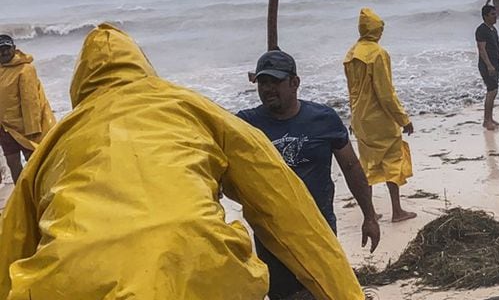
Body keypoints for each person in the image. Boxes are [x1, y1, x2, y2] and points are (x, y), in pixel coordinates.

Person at [0, 24, 363, 300]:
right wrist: (345, 294)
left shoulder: (56, 141)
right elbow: (287, 210)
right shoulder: (195, 109)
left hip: (72, 281)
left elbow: (11, 242)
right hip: (202, 269)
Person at [239, 49, 380, 300]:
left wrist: (369, 216)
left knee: (324, 292)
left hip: (320, 228)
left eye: (275, 81)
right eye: (263, 82)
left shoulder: (323, 119)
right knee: (285, 296)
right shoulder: (245, 125)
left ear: (295, 83)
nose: (268, 88)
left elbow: (351, 168)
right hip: (273, 236)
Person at [344, 8, 417, 224]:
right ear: (376, 29)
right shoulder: (378, 53)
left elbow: (352, 91)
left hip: (360, 118)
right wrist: (404, 119)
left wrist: (353, 117)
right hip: (380, 119)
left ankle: (370, 213)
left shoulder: (351, 53)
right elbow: (385, 93)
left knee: (366, 164)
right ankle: (397, 211)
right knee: (393, 161)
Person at [0, 34, 55, 183]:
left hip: (25, 127)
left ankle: (38, 193)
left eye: (7, 49)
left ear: (14, 48)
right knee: (13, 164)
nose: (4, 52)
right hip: (5, 128)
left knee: (34, 163)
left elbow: (30, 101)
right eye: (1, 50)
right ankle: (21, 197)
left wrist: (33, 130)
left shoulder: (25, 69)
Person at [476, 5, 499, 130]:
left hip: (495, 64)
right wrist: (489, 65)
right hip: (487, 65)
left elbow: (498, 48)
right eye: (492, 14)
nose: (495, 16)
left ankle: (490, 119)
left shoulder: (493, 29)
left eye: (495, 14)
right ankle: (486, 121)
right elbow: (481, 49)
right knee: (491, 91)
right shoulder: (481, 30)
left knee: (494, 91)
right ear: (485, 16)